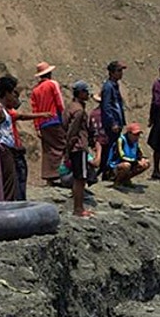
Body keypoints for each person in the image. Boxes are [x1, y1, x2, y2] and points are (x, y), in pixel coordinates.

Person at [0, 75, 50, 200]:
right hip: (11, 150)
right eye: (13, 94)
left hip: (11, 149)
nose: (15, 98)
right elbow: (19, 116)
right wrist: (42, 115)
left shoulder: (3, 109)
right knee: (17, 180)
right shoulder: (3, 110)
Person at [64, 81, 101, 217]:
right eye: (86, 92)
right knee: (80, 179)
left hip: (75, 147)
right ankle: (78, 209)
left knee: (79, 178)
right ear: (80, 93)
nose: (88, 94)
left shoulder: (71, 107)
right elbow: (72, 132)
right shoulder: (79, 111)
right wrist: (69, 147)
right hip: (78, 147)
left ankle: (78, 207)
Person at [30, 62, 66, 186]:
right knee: (63, 145)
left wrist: (37, 127)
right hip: (54, 119)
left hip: (42, 123)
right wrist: (64, 117)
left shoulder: (35, 90)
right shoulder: (52, 84)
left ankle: (49, 177)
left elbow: (34, 109)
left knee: (48, 149)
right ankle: (65, 173)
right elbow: (59, 102)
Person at [100, 60, 128, 180]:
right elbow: (106, 107)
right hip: (112, 124)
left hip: (117, 122)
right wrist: (113, 123)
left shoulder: (114, 86)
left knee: (115, 147)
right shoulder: (108, 87)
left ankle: (110, 171)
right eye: (119, 71)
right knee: (109, 148)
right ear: (112, 72)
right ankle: (106, 172)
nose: (121, 73)